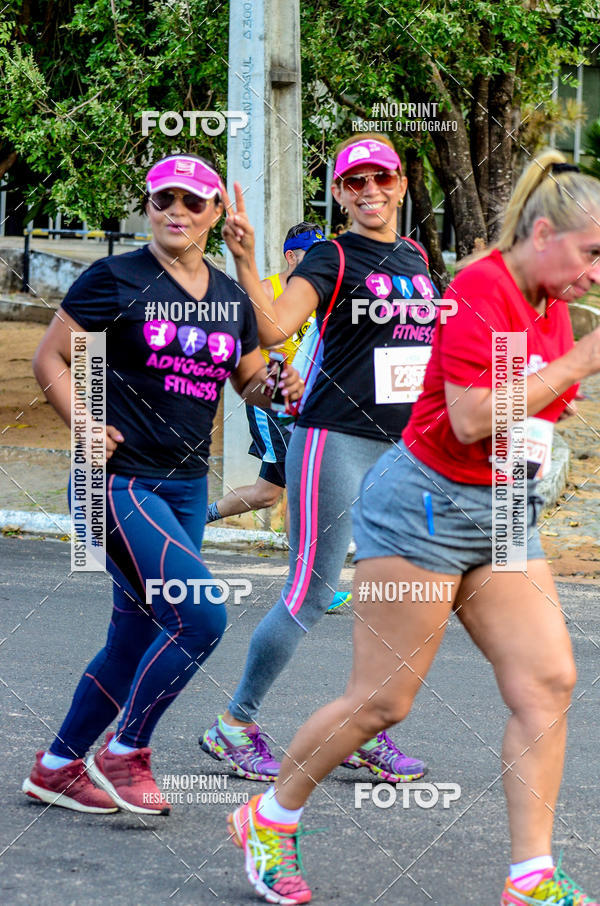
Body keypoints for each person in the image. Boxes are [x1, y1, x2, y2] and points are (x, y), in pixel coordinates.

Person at [227, 150, 600, 904]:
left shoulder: (551, 308)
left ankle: (530, 876)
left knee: (548, 680)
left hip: (499, 508)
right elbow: (468, 417)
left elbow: (531, 415)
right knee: (383, 700)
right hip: (422, 504)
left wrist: (559, 382)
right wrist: (579, 365)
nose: (598, 271)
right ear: (543, 232)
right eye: (592, 252)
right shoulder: (480, 287)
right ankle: (268, 816)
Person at [21, 153, 303, 816]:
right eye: (162, 200)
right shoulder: (115, 277)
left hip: (183, 489)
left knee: (136, 636)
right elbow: (52, 356)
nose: (175, 211)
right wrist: (83, 422)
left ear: (214, 216)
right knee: (201, 613)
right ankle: (127, 749)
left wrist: (278, 386)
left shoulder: (232, 300)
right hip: (115, 481)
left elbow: (250, 379)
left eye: (192, 202)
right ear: (148, 207)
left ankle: (59, 765)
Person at [201, 135, 433, 792]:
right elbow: (273, 327)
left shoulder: (415, 257)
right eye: (354, 182)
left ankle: (363, 731)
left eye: (380, 180)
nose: (369, 192)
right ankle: (235, 724)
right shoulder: (333, 256)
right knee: (309, 593)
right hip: (332, 441)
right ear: (338, 193)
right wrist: (245, 260)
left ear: (400, 185)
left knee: (392, 597)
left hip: (400, 450)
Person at [206, 222, 324, 530]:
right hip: (270, 399)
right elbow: (236, 346)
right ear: (290, 257)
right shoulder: (267, 290)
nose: (318, 262)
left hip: (307, 400)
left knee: (266, 493)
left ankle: (195, 519)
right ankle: (302, 564)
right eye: (310, 255)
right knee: (303, 485)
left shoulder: (320, 294)